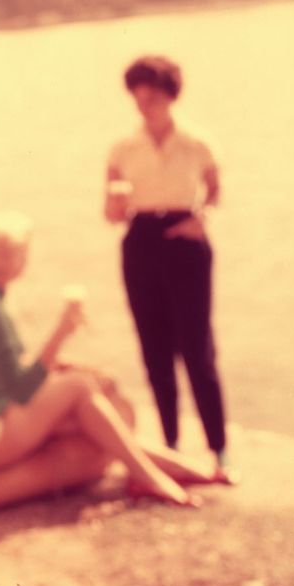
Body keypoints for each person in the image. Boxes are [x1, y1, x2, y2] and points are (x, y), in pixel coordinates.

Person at [0, 210, 218, 506]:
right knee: (78, 387)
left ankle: (175, 468)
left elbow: (7, 372)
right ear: (17, 261)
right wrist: (62, 331)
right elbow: (21, 390)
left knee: (90, 417)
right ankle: (152, 478)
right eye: (17, 253)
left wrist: (55, 362)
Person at [105, 55, 234, 483]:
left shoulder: (197, 143)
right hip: (140, 241)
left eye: (153, 97)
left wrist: (202, 219)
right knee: (154, 349)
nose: (146, 106)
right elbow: (110, 211)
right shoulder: (122, 148)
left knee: (197, 349)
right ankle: (172, 447)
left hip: (185, 241)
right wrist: (114, 205)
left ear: (170, 96)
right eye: (138, 99)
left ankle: (218, 450)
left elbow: (215, 191)